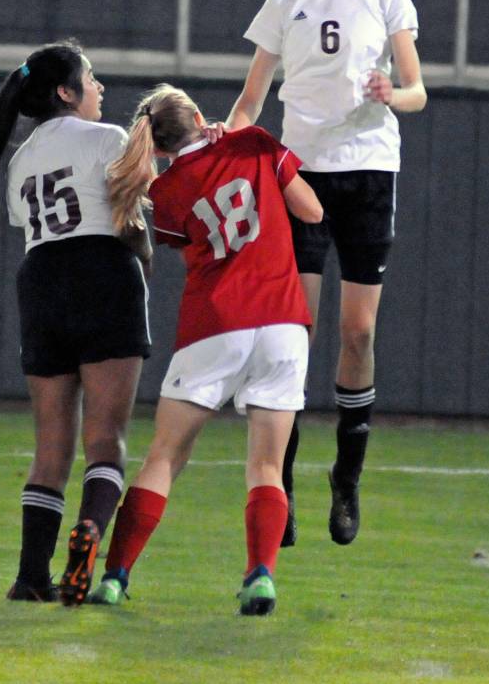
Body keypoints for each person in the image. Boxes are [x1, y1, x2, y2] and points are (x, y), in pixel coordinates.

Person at [225, 0, 460, 548]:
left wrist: (394, 91)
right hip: (300, 179)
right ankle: (284, 485)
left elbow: (418, 90)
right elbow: (250, 101)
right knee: (294, 336)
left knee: (357, 334)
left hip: (368, 173)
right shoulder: (283, 1)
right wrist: (223, 141)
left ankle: (347, 476)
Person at [87, 84, 323, 615]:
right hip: (282, 321)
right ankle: (260, 575)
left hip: (213, 325)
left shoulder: (166, 191)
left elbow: (183, 237)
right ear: (199, 115)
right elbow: (312, 211)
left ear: (157, 143)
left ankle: (116, 577)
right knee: (266, 466)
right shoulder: (254, 143)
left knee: (164, 457)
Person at [0, 40, 152, 604]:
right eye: (90, 78)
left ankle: (29, 577)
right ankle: (89, 529)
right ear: (66, 92)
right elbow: (130, 223)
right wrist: (145, 251)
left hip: (41, 280)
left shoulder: (19, 161)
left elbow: (36, 223)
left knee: (50, 445)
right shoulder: (107, 138)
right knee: (106, 440)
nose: (99, 87)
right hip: (102, 271)